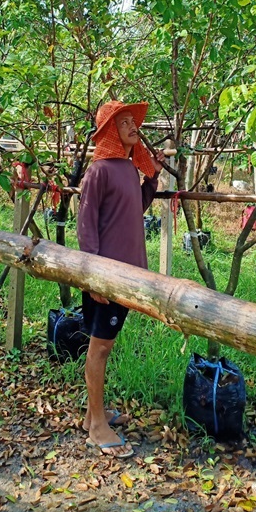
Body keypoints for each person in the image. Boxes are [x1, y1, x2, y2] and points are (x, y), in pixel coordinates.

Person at [77, 100, 164, 459]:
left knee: (105, 345)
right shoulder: (99, 171)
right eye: (124, 122)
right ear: (111, 131)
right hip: (107, 277)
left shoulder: (128, 170)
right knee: (100, 347)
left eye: (133, 122)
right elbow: (86, 224)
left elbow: (133, 208)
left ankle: (91, 414)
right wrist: (94, 277)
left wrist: (152, 178)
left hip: (127, 273)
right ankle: (97, 425)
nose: (133, 127)